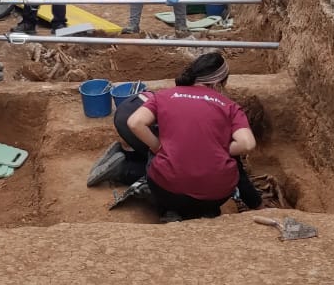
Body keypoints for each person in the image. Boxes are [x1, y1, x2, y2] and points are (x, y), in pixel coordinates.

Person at [88, 51, 261, 222]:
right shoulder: (229, 106)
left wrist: (157, 146)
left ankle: (166, 208)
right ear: (218, 83)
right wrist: (221, 146)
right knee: (208, 165)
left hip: (168, 192)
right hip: (215, 196)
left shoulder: (165, 95)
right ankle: (206, 212)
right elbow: (247, 144)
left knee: (160, 156)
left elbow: (134, 122)